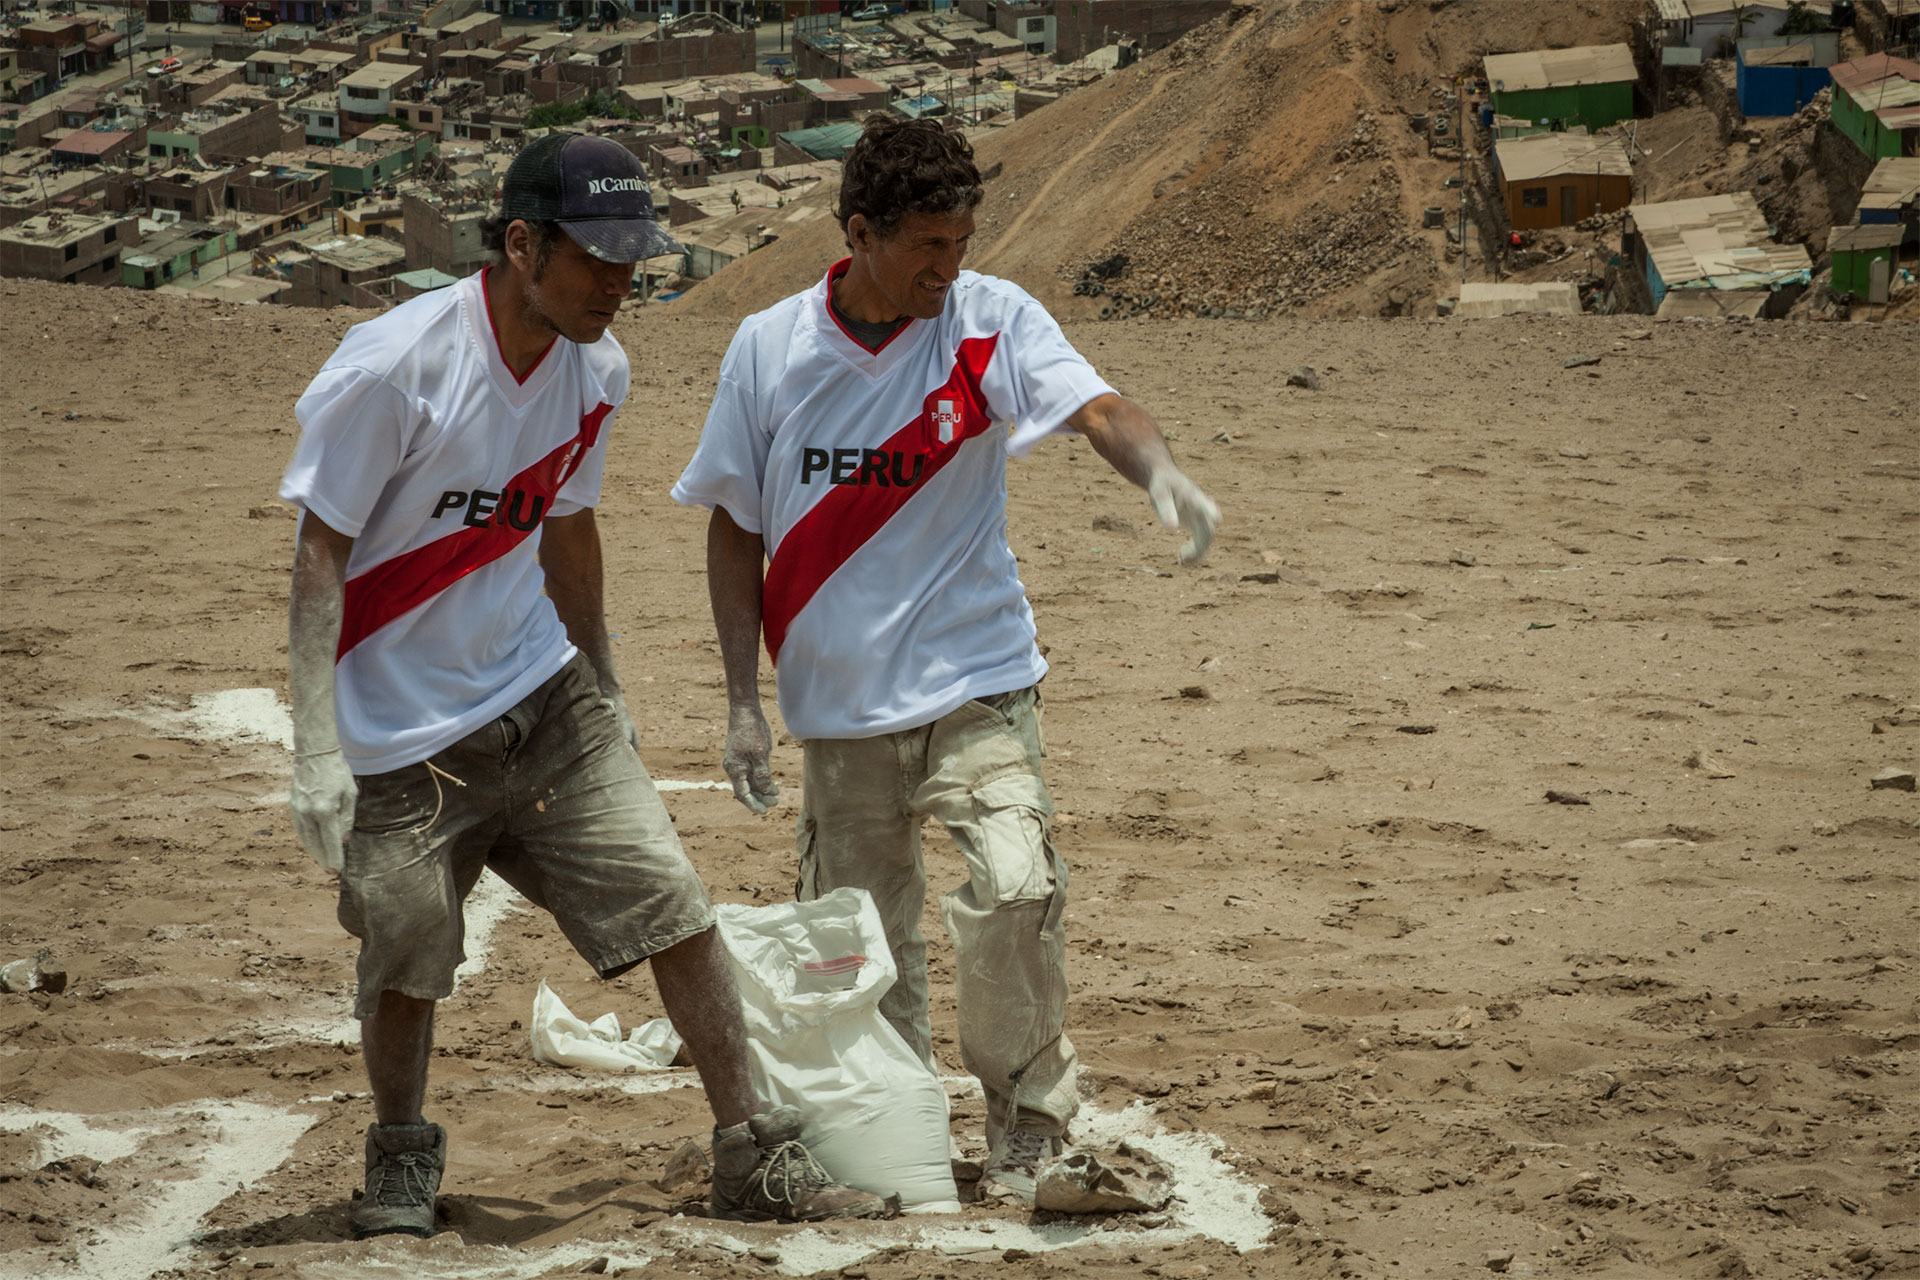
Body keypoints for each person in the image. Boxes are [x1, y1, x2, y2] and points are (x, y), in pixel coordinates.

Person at [281, 131, 889, 1239]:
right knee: (410, 940)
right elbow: (322, 548)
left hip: (543, 701)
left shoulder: (596, 371)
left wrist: (600, 678)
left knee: (674, 901)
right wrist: (316, 743)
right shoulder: (393, 366)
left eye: (635, 259)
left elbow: (566, 526)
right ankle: (402, 1155)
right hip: (399, 737)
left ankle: (749, 1149)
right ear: (522, 244)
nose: (623, 283)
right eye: (598, 258)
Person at [671, 115, 1221, 1206]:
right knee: (864, 944)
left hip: (979, 678)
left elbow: (1098, 407)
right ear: (859, 231)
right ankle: (900, 1123)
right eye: (927, 244)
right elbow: (733, 525)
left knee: (1018, 883)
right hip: (839, 706)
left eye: (960, 243)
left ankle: (1028, 1122)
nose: (947, 267)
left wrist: (1159, 473)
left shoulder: (988, 320)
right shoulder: (769, 348)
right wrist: (743, 699)